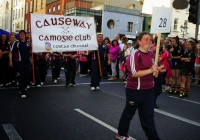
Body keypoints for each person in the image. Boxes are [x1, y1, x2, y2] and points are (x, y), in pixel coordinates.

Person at [116, 32, 162, 140]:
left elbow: (159, 68)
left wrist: (157, 70)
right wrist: (151, 70)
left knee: (148, 117)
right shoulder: (135, 54)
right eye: (146, 39)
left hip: (149, 90)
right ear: (139, 41)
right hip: (135, 90)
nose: (148, 41)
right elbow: (134, 73)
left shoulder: (152, 55)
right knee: (129, 112)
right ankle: (121, 133)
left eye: (150, 40)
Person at [9, 30, 31, 98]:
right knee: (20, 77)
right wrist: (10, 61)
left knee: (27, 77)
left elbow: (30, 52)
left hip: (27, 62)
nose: (22, 35)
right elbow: (11, 52)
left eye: (23, 34)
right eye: (21, 34)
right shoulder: (16, 43)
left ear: (25, 35)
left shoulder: (28, 43)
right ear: (19, 35)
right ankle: (23, 92)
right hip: (19, 63)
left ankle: (23, 88)